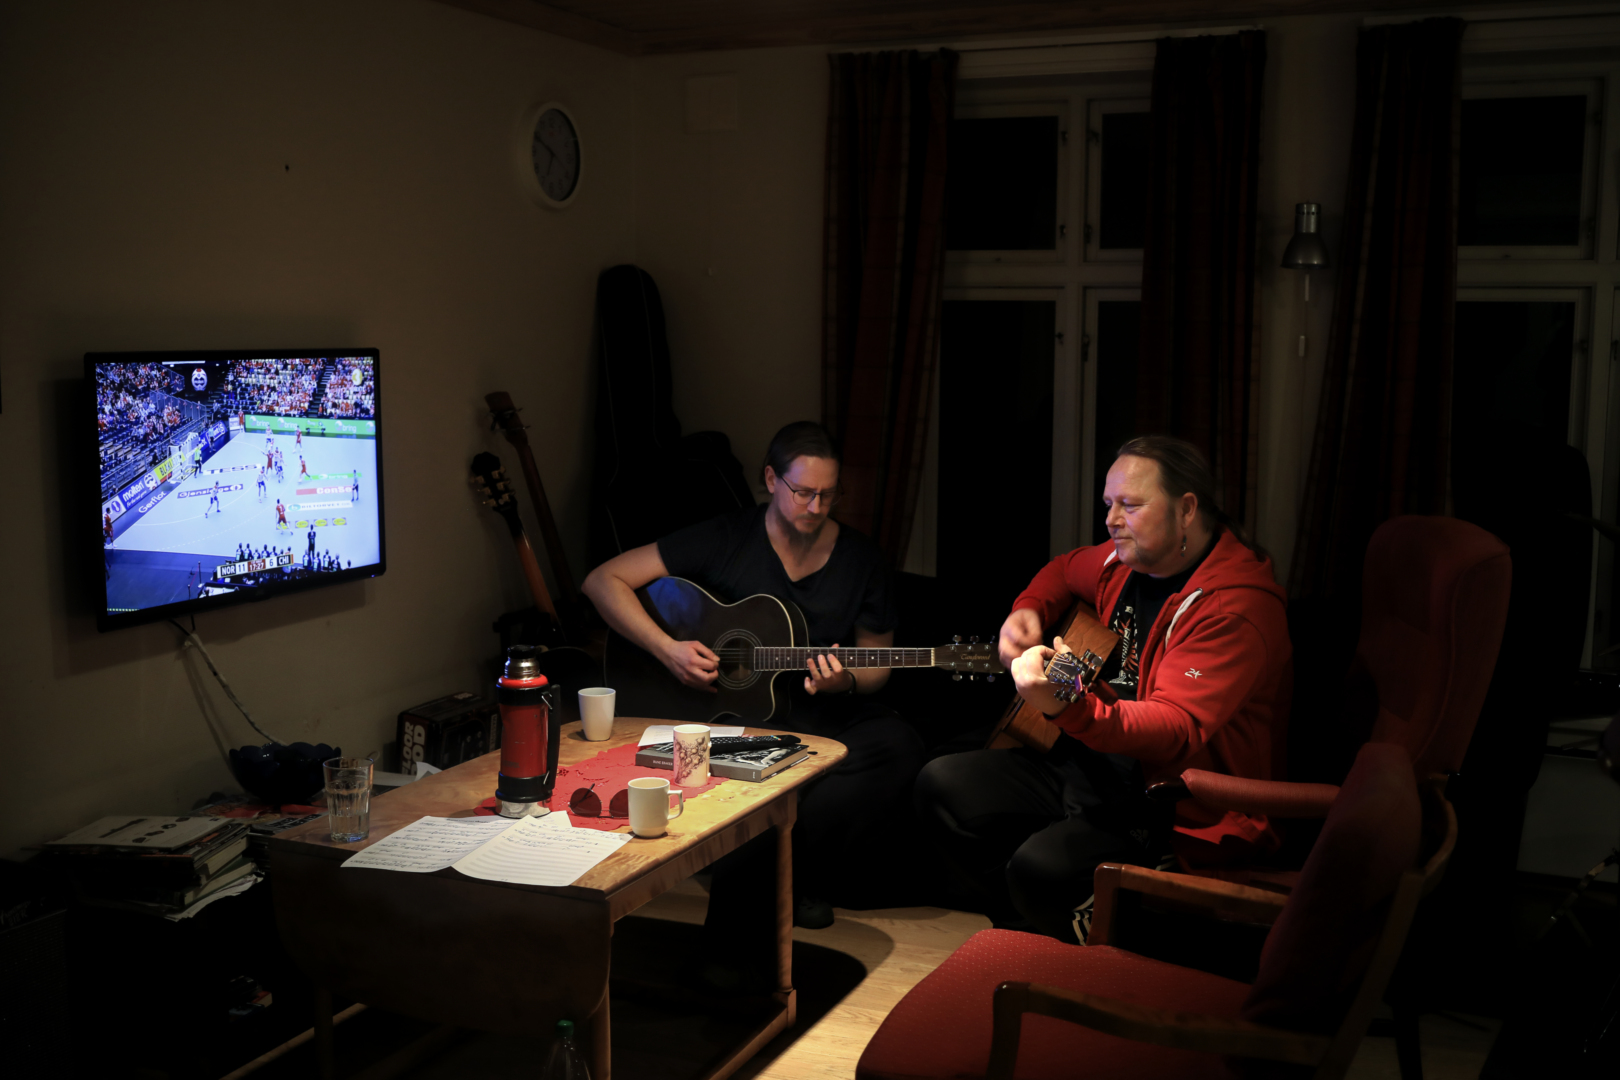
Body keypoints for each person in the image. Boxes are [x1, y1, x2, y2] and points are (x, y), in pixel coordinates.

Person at [913, 436, 1291, 943]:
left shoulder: (1235, 608)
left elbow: (1173, 728)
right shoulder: (1122, 562)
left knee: (1040, 871)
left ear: (1186, 510)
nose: (1112, 519)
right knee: (943, 785)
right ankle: (1039, 927)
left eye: (1129, 505)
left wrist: (1066, 703)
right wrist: (1027, 611)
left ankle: (1091, 936)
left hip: (1171, 801)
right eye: (1108, 504)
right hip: (1096, 762)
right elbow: (1065, 569)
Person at [583, 420, 924, 932]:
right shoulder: (724, 537)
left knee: (898, 745)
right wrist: (669, 649)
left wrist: (845, 679)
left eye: (828, 495)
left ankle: (794, 874)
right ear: (771, 480)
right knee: (761, 767)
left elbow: (876, 661)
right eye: (804, 492)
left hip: (815, 711)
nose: (816, 507)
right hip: (727, 717)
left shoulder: (860, 559)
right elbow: (602, 580)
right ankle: (772, 890)